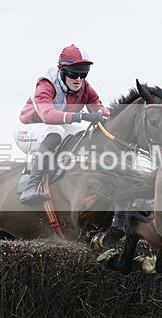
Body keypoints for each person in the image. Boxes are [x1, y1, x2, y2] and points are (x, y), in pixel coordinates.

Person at [14, 44, 109, 205]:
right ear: (62, 70)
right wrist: (83, 115)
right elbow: (48, 116)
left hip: (56, 128)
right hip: (28, 130)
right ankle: (31, 186)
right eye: (74, 73)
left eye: (84, 73)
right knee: (56, 130)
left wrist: (105, 115)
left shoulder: (84, 86)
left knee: (85, 134)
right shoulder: (46, 85)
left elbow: (99, 108)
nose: (79, 79)